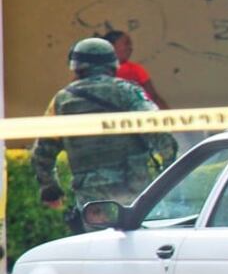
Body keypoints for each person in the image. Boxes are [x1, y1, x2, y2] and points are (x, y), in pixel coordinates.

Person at [32, 37, 178, 232]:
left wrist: (50, 190)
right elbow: (160, 133)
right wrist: (170, 174)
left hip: (91, 198)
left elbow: (43, 151)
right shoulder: (127, 92)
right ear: (113, 64)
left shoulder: (62, 101)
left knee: (99, 250)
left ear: (76, 67)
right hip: (134, 188)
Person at [101, 29, 170, 109]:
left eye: (130, 45)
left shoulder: (135, 69)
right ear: (111, 46)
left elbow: (153, 97)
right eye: (126, 44)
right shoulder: (96, 71)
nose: (130, 48)